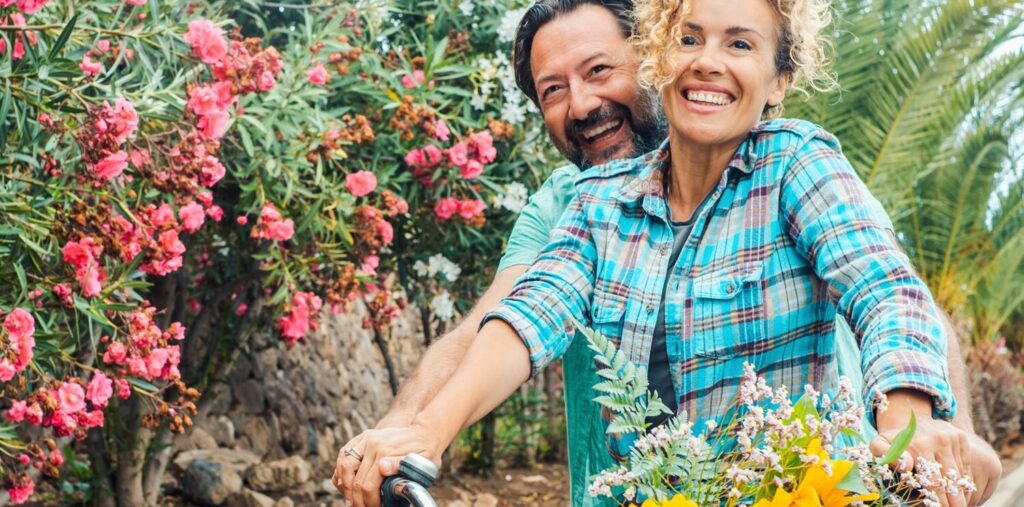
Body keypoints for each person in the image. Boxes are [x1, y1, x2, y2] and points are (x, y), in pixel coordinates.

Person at [332, 1, 1002, 506]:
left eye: (740, 43)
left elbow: (885, 288)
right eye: (688, 38)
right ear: (658, 55)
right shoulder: (597, 199)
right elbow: (524, 317)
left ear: (777, 81)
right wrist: (426, 432)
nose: (708, 60)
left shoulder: (798, 164)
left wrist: (913, 430)